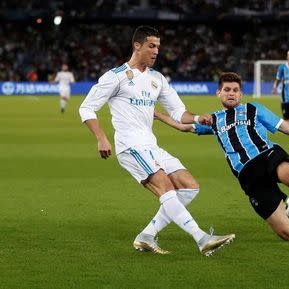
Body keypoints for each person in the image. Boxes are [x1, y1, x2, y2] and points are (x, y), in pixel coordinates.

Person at [78, 26, 234, 256]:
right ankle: (201, 238)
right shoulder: (116, 76)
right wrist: (101, 137)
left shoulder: (157, 79)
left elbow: (179, 112)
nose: (156, 51)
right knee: (166, 187)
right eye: (151, 46)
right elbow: (86, 107)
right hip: (130, 146)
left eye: (158, 47)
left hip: (151, 145)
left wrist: (199, 118)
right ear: (137, 46)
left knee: (190, 187)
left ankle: (146, 236)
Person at [155, 72, 289, 241]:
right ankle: (285, 201)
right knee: (286, 233)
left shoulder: (253, 109)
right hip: (247, 174)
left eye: (235, 90)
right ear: (218, 93)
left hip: (268, 155)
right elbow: (183, 126)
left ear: (241, 95)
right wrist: (156, 114)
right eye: (227, 89)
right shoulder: (213, 120)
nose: (231, 93)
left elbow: (285, 126)